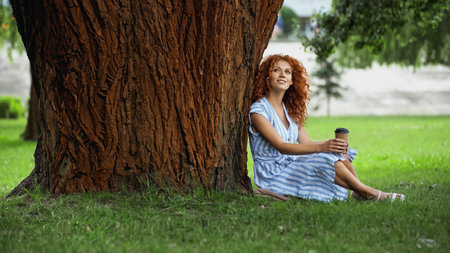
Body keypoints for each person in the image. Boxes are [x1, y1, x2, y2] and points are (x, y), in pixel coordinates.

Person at [249, 54, 405, 202]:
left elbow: (306, 143)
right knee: (325, 157)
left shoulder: (290, 111)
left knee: (335, 151)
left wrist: (332, 145)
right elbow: (281, 147)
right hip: (272, 174)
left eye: (287, 72)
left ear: (291, 81)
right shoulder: (259, 111)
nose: (283, 74)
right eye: (276, 70)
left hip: (290, 165)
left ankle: (359, 191)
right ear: (267, 78)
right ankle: (370, 193)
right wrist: (322, 147)